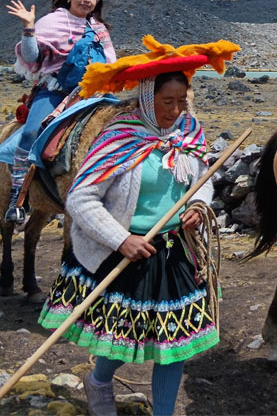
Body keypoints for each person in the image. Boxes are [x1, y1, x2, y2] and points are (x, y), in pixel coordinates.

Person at [38, 70, 215, 416]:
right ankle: (100, 380)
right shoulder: (119, 138)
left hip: (177, 252)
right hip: (128, 255)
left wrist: (198, 204)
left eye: (182, 101)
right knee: (121, 339)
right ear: (148, 98)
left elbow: (204, 178)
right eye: (168, 102)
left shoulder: (189, 132)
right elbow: (81, 199)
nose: (177, 109)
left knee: (173, 344)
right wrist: (122, 239)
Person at [3, 0, 116, 223]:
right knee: (31, 133)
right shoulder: (51, 22)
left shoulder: (99, 29)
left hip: (93, 92)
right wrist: (29, 27)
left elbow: (110, 62)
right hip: (56, 89)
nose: (87, 0)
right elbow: (32, 56)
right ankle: (17, 197)